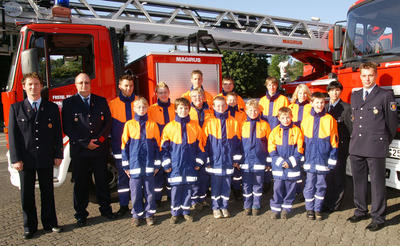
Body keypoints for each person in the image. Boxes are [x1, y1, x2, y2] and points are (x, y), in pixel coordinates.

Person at [9, 73, 63, 239]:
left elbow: (57, 134)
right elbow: (13, 136)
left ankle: (50, 223)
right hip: (25, 160)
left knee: (48, 193)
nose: (33, 87)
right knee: (26, 194)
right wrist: (15, 159)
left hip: (46, 157)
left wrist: (58, 154)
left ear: (41, 86)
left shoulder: (52, 108)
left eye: (37, 84)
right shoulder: (16, 108)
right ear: (24, 87)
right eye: (30, 84)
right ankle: (29, 227)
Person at [347, 62, 397, 232]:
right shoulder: (355, 95)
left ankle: (378, 217)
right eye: (364, 75)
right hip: (357, 146)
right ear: (360, 76)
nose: (367, 78)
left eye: (370, 75)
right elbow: (353, 119)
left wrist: (383, 141)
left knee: (377, 184)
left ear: (375, 76)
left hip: (375, 145)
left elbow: (392, 124)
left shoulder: (385, 95)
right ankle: (361, 210)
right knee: (358, 181)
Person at [62, 73, 115, 227]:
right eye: (81, 83)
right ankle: (80, 214)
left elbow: (108, 123)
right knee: (81, 184)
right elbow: (68, 127)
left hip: (99, 149)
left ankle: (106, 209)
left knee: (102, 181)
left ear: (90, 84)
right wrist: (85, 143)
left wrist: (99, 141)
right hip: (80, 151)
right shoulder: (69, 103)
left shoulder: (101, 101)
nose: (84, 85)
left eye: (86, 82)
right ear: (76, 85)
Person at [161, 98, 205, 224]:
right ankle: (175, 213)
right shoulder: (169, 127)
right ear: (175, 110)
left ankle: (186, 212)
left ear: (189, 110)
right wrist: (167, 164)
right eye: (180, 108)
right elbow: (163, 149)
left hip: (190, 165)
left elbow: (201, 147)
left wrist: (198, 163)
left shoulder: (195, 126)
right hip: (175, 166)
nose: (183, 110)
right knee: (175, 190)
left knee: (187, 189)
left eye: (186, 108)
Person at [121, 97, 161, 227]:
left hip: (149, 165)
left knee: (150, 191)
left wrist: (156, 165)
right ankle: (137, 215)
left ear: (147, 108)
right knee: (136, 191)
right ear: (134, 108)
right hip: (134, 165)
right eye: (139, 107)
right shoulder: (129, 125)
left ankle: (150, 214)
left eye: (144, 107)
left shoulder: (152, 125)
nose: (141, 109)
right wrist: (126, 165)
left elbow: (157, 146)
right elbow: (124, 146)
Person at [301, 92, 338, 221]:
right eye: (317, 102)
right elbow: (302, 141)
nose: (320, 105)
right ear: (311, 103)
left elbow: (334, 141)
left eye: (322, 102)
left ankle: (318, 209)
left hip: (323, 159)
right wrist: (301, 157)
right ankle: (309, 209)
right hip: (310, 159)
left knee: (321, 185)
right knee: (309, 185)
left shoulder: (330, 120)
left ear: (325, 103)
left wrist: (332, 159)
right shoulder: (306, 120)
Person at [203, 96, 241, 219]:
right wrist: (207, 159)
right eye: (218, 106)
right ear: (213, 107)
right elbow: (204, 143)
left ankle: (224, 206)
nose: (221, 108)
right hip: (215, 161)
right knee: (215, 186)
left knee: (226, 185)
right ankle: (215, 208)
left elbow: (237, 143)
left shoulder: (233, 122)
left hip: (228, 161)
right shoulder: (209, 122)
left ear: (227, 106)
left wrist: (235, 159)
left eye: (223, 105)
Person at [108, 74, 138, 217]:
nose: (128, 88)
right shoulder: (112, 104)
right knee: (123, 178)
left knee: (138, 177)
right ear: (120, 86)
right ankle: (124, 205)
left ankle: (138, 204)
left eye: (131, 86)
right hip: (120, 148)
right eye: (125, 85)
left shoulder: (139, 102)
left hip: (138, 148)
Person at [269, 107, 304, 220]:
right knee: (277, 188)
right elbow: (271, 149)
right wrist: (280, 162)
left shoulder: (297, 131)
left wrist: (289, 162)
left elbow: (299, 149)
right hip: (279, 167)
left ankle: (286, 209)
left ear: (292, 117)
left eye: (288, 117)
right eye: (283, 118)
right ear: (279, 118)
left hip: (292, 167)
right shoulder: (274, 131)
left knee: (290, 189)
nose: (286, 120)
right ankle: (275, 209)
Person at [323, 81, 352, 213]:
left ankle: (335, 204)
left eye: (337, 90)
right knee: (328, 176)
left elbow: (351, 130)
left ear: (340, 92)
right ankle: (327, 201)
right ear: (328, 92)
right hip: (327, 148)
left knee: (338, 176)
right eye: (332, 90)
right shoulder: (325, 107)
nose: (334, 93)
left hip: (340, 147)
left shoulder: (347, 108)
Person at [240, 99, 271, 216]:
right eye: (250, 110)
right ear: (246, 111)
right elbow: (238, 144)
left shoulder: (264, 125)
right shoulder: (242, 124)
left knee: (258, 183)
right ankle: (247, 205)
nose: (253, 112)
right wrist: (238, 160)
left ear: (259, 111)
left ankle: (256, 204)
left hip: (259, 160)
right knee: (246, 184)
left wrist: (268, 162)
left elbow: (270, 145)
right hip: (246, 161)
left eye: (255, 110)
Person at [148, 82, 175, 206]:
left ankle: (171, 197)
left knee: (170, 172)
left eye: (165, 92)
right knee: (157, 174)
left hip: (172, 147)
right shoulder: (151, 109)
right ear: (156, 94)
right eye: (160, 93)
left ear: (169, 93)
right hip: (157, 147)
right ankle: (157, 199)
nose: (163, 95)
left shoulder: (175, 107)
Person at [188, 88, 212, 210]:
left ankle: (202, 199)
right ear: (191, 98)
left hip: (206, 146)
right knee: (193, 174)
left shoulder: (209, 111)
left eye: (200, 96)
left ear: (204, 97)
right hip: (193, 147)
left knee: (204, 175)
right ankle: (193, 200)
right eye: (195, 97)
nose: (198, 99)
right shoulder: (188, 110)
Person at [288, 84, 312, 196]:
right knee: (295, 163)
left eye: (304, 93)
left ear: (307, 94)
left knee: (305, 165)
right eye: (300, 93)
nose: (302, 95)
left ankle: (304, 190)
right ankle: (295, 189)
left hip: (307, 139)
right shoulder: (291, 107)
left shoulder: (311, 107)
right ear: (296, 94)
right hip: (294, 139)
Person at [226, 92, 246, 200]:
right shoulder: (224, 113)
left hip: (238, 141)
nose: (232, 102)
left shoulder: (242, 114)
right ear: (226, 101)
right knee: (229, 165)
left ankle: (237, 189)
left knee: (237, 167)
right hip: (228, 142)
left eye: (234, 100)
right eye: (230, 100)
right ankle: (229, 188)